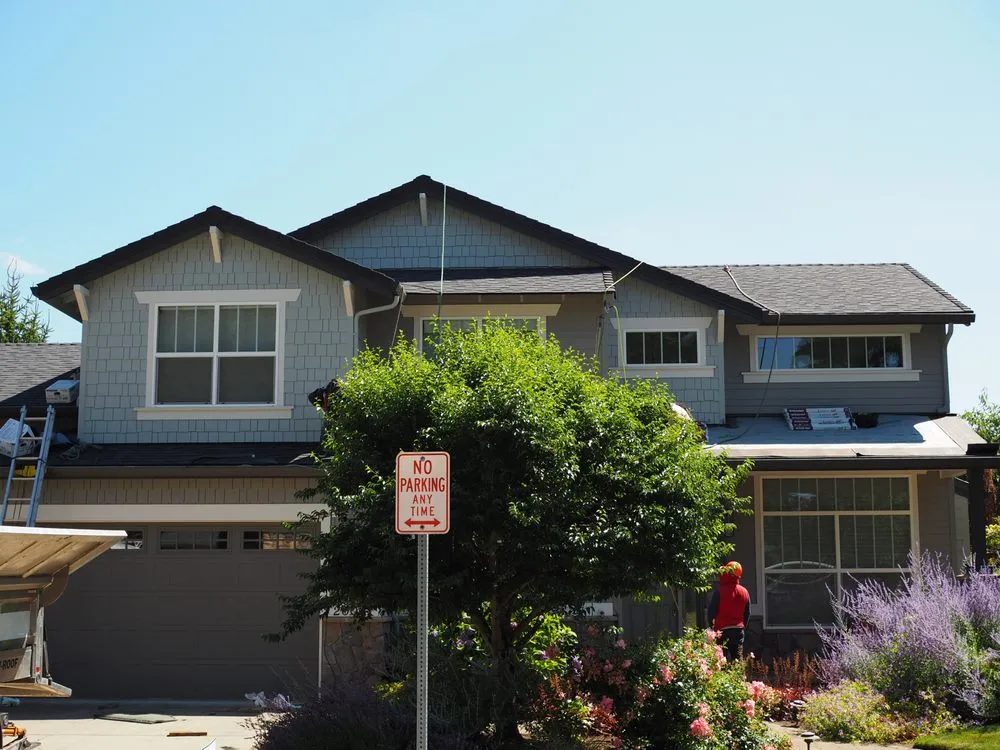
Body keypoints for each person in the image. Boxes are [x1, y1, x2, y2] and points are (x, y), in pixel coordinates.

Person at [707, 560, 751, 661]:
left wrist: (712, 627)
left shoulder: (719, 592)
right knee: (737, 661)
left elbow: (711, 613)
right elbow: (748, 613)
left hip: (721, 631)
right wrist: (742, 626)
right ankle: (738, 677)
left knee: (720, 661)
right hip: (738, 630)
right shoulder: (745, 592)